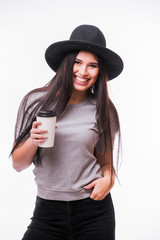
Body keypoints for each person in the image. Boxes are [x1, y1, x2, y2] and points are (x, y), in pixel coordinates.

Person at [11, 24, 123, 240]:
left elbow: (105, 161)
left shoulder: (104, 110)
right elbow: (18, 165)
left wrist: (108, 178)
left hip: (94, 212)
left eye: (93, 65)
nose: (83, 72)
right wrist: (34, 140)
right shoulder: (34, 102)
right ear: (66, 63)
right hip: (47, 214)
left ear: (100, 71)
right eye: (78, 62)